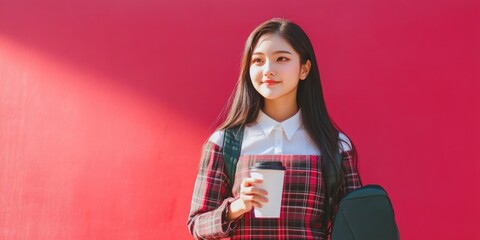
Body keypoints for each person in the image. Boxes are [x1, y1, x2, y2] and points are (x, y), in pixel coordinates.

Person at [187, 18, 362, 239]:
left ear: (304, 69)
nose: (268, 70)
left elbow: (357, 225)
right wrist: (237, 206)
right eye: (258, 61)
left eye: (281, 59)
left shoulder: (334, 145)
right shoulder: (224, 143)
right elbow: (197, 225)